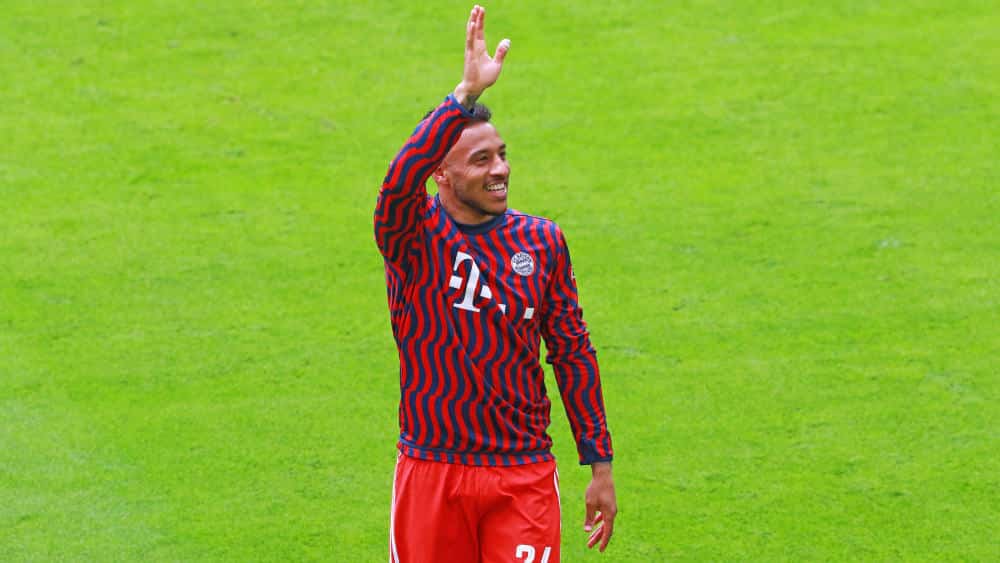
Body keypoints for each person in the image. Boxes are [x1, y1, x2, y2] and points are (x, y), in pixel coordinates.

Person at [374, 5, 617, 561]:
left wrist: (599, 464)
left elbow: (572, 352)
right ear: (441, 173)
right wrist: (462, 96)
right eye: (480, 160)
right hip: (432, 469)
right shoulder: (412, 236)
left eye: (502, 156)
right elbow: (397, 181)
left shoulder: (542, 242)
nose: (500, 169)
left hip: (521, 473)